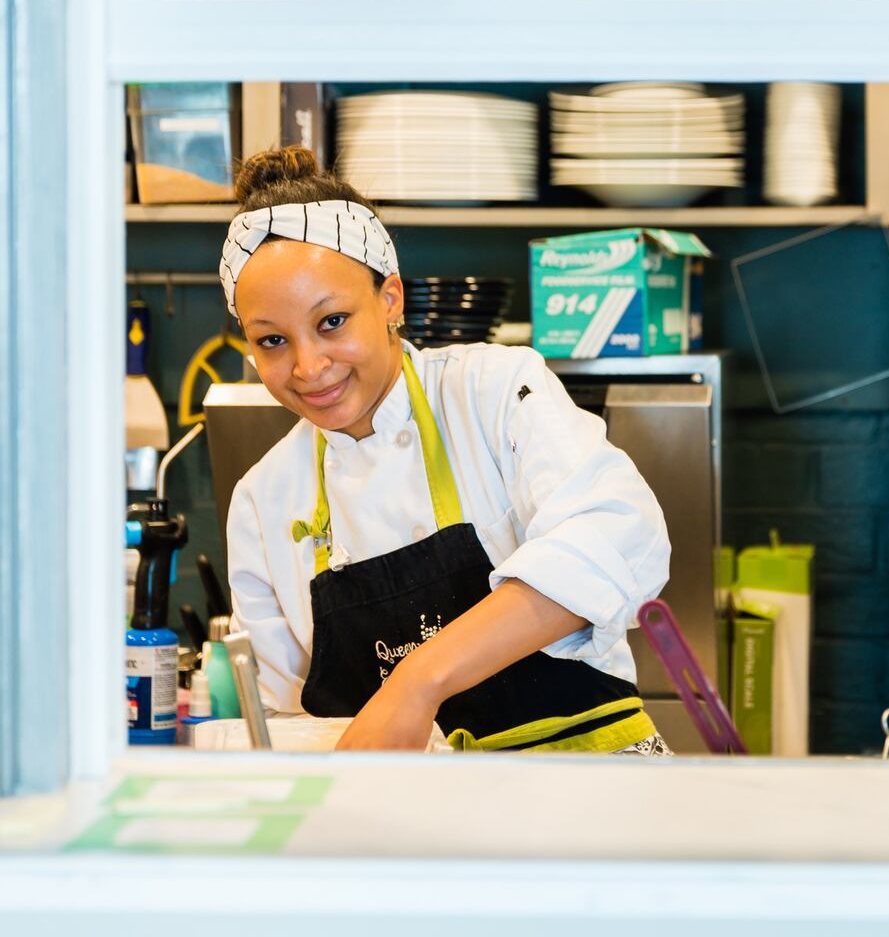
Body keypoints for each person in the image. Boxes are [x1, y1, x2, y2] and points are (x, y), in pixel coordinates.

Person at [220, 146, 671, 754]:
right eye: (272, 340)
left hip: (585, 785)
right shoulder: (262, 500)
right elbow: (285, 723)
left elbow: (619, 534)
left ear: (391, 300)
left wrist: (419, 681)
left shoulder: (491, 390)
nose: (308, 367)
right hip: (403, 821)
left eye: (332, 322)